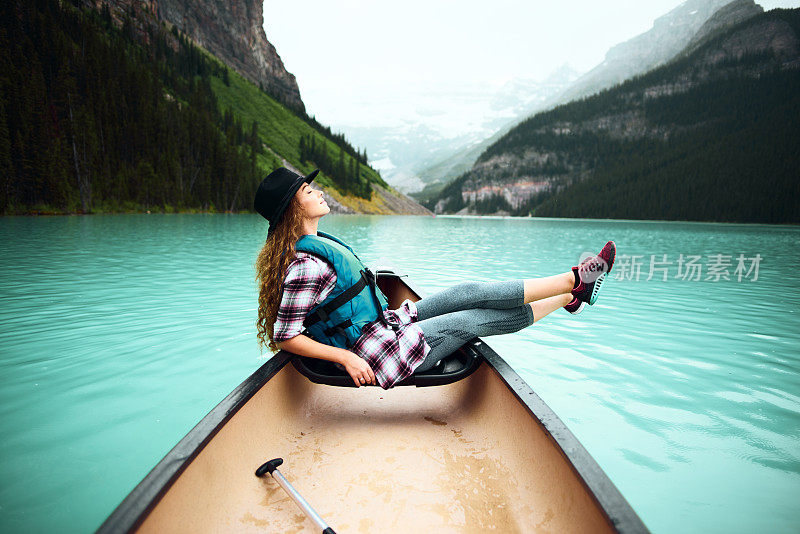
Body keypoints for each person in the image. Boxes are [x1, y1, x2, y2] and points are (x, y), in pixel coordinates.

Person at [254, 167, 616, 389]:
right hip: (380, 354)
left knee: (468, 291)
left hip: (386, 327)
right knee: (471, 320)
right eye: (307, 190)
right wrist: (346, 360)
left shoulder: (318, 247)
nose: (317, 191)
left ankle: (575, 288)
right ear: (293, 208)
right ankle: (575, 287)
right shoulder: (306, 265)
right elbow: (285, 335)